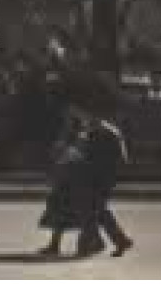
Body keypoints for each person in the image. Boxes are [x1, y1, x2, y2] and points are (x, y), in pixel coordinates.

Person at [77, 102, 134, 258]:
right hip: (97, 176)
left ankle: (95, 242)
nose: (84, 119)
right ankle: (113, 241)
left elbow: (120, 158)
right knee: (97, 210)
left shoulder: (106, 133)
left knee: (94, 209)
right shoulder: (96, 131)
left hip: (101, 177)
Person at [39, 111, 91, 256]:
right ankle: (55, 244)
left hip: (71, 182)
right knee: (61, 215)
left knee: (75, 215)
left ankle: (83, 244)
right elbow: (57, 158)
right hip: (65, 181)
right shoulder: (70, 139)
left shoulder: (80, 139)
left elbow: (70, 159)